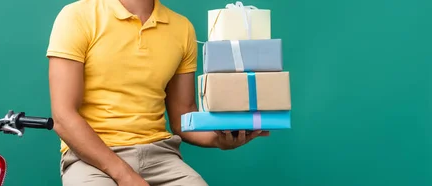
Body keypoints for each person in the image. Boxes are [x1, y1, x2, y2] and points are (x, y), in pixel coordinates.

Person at [46, 0, 269, 185]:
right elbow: (63, 117)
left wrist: (221, 140)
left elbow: (183, 117)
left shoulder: (182, 28)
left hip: (160, 156)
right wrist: (125, 175)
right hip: (92, 159)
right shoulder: (77, 16)